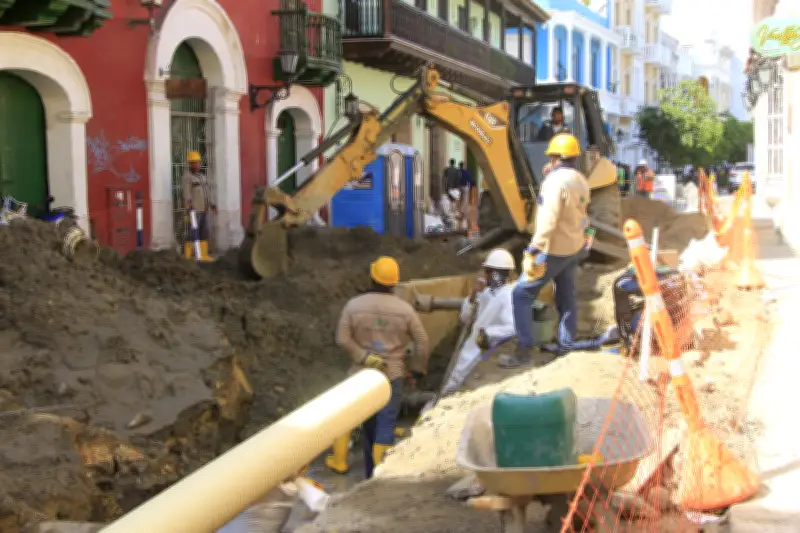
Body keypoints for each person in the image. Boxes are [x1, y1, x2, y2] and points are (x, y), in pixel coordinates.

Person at [329, 256, 429, 478]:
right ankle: (379, 479)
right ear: (394, 282)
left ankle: (368, 473)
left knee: (368, 426)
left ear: (372, 277)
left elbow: (342, 339)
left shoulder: (354, 306)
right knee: (386, 424)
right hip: (392, 374)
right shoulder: (404, 310)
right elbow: (422, 340)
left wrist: (364, 356)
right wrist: (417, 368)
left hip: (361, 375)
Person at [503, 133, 590, 368]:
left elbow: (549, 221)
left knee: (521, 294)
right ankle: (565, 345)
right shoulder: (580, 180)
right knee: (566, 296)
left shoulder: (555, 182)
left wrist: (533, 248)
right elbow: (583, 216)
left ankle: (523, 351)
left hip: (552, 249)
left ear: (556, 157)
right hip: (573, 247)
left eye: (551, 157)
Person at [441, 249, 517, 395]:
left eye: (488, 271)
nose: (485, 275)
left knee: (456, 387)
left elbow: (513, 327)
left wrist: (488, 334)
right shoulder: (486, 293)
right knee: (452, 383)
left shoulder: (508, 296)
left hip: (481, 352)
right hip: (469, 349)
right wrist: (473, 296)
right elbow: (465, 318)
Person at [181, 151, 216, 260]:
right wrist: (189, 206)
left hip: (204, 209)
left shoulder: (202, 176)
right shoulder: (187, 177)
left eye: (198, 163)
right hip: (194, 210)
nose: (197, 165)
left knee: (204, 232)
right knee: (192, 232)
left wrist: (212, 204)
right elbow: (187, 194)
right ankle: (188, 256)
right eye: (194, 163)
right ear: (190, 164)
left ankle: (202, 255)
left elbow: (207, 192)